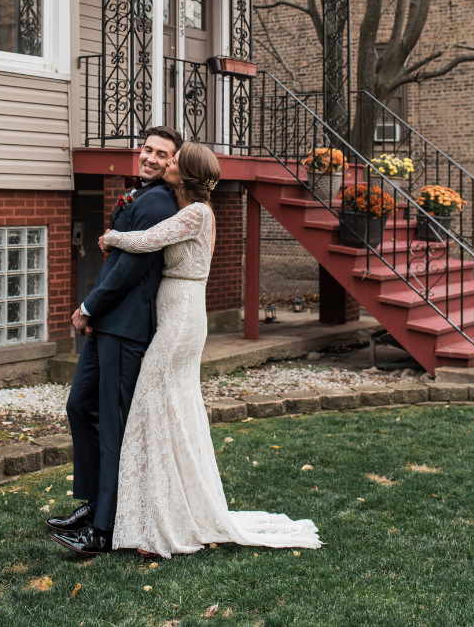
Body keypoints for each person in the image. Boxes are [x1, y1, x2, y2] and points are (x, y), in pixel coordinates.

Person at [56, 140, 320, 557]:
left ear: (188, 172)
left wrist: (111, 237)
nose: (165, 164)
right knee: (159, 409)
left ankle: (124, 519)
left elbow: (146, 242)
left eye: (173, 159)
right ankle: (143, 506)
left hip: (180, 319)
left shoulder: (195, 212)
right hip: (173, 312)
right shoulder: (182, 206)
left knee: (148, 407)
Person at [50, 126, 182, 554]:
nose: (151, 158)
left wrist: (89, 308)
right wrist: (94, 311)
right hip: (108, 323)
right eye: (148, 149)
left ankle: (104, 530)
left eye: (162, 154)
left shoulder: (159, 201)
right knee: (79, 406)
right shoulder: (141, 195)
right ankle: (93, 505)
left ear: (173, 163)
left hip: (125, 329)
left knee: (113, 425)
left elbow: (129, 269)